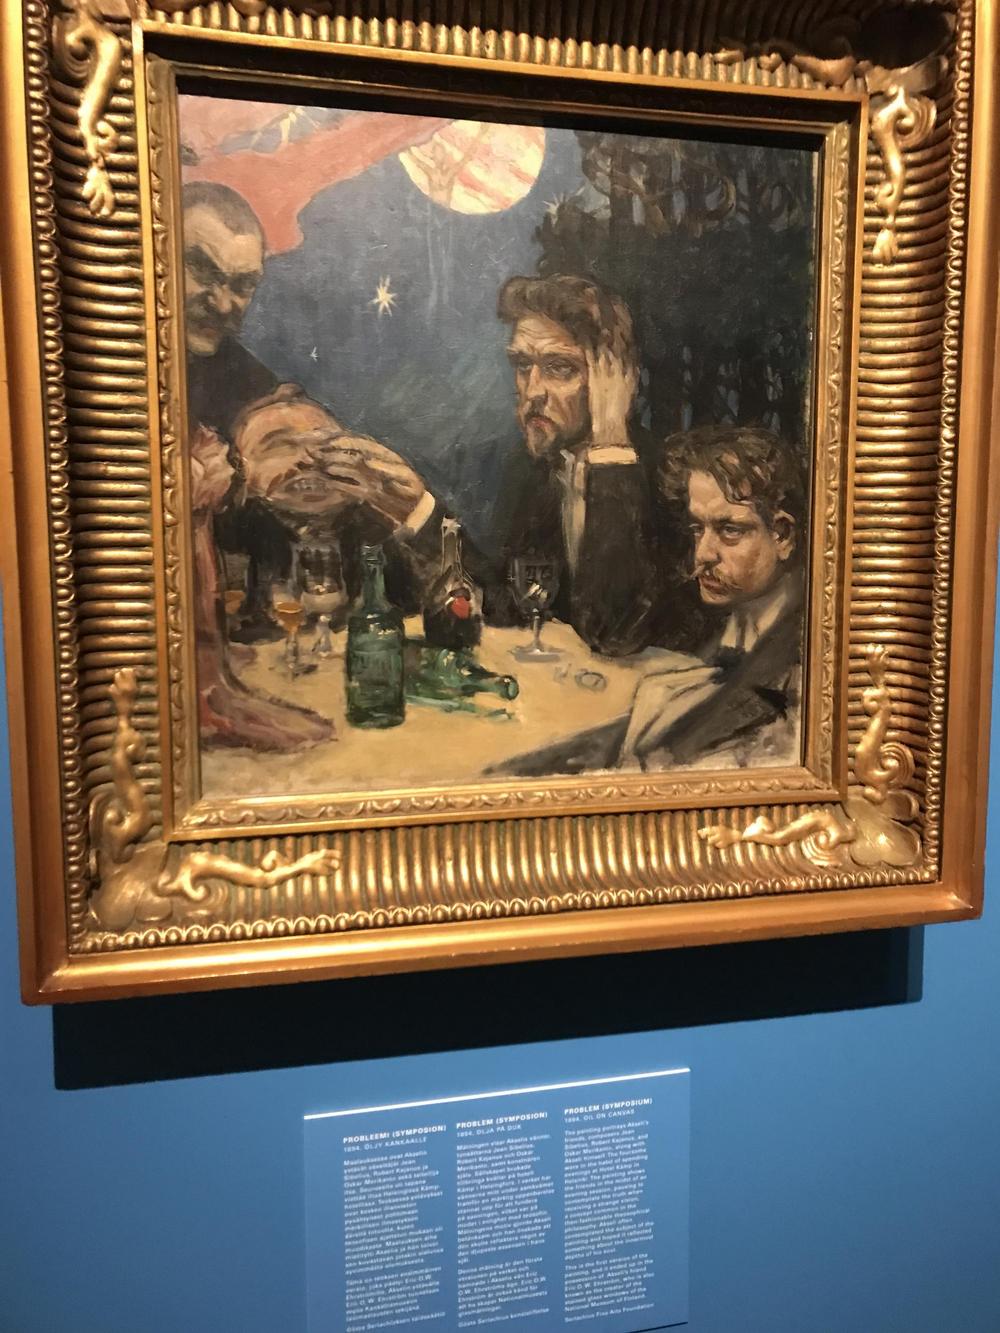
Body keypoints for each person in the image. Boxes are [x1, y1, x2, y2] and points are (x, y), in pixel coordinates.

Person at [181, 181, 433, 748]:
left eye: (243, 284)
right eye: (202, 269)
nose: (223, 303)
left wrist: (398, 504)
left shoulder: (246, 377)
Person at [494, 425, 806, 775]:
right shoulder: (726, 634)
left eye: (729, 531)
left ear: (782, 535)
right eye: (697, 529)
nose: (702, 554)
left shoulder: (795, 674)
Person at [475, 275, 667, 657]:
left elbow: (615, 634)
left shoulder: (663, 474)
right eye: (522, 365)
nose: (532, 391)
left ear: (616, 378)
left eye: (559, 368)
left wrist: (611, 444)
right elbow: (507, 607)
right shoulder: (527, 469)